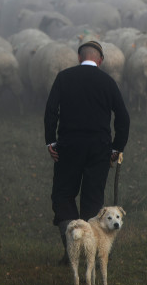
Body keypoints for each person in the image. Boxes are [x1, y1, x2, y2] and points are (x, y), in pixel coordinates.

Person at [44, 40, 130, 263]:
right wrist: (116, 147)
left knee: (63, 195)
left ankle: (71, 249)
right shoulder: (107, 81)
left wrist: (50, 142)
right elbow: (123, 117)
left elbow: (51, 111)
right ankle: (89, 254)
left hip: (68, 147)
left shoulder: (64, 78)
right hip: (99, 149)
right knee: (93, 200)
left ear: (79, 58)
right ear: (100, 61)